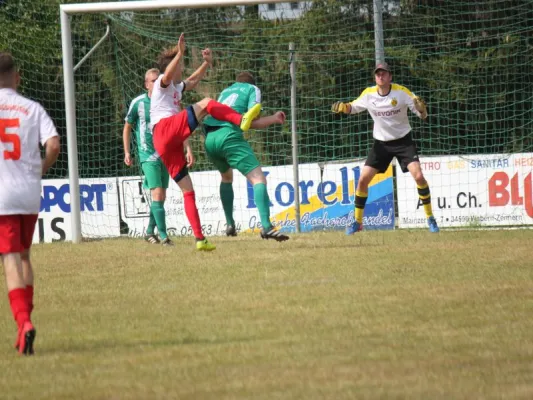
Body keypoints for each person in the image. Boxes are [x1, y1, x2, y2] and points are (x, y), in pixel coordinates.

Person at [151, 34, 278, 251]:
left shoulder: (176, 88)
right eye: (180, 65)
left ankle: (200, 239)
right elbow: (169, 74)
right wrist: (180, 53)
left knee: (188, 190)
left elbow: (191, 81)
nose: (181, 69)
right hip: (164, 129)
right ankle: (240, 120)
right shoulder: (162, 84)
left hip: (166, 143)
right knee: (208, 103)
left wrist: (206, 64)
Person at [331, 62, 439, 234]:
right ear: (375, 77)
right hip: (381, 144)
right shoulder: (369, 94)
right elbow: (353, 107)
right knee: (362, 180)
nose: (380, 76)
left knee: (418, 176)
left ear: (390, 76)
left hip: (403, 141)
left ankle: (430, 218)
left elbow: (422, 115)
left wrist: (422, 110)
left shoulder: (402, 92)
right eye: (377, 74)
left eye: (383, 73)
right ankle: (357, 222)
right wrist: (344, 108)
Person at [0, 52, 60, 355]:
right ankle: (26, 324)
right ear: (17, 76)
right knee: (24, 256)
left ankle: (24, 322)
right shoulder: (32, 108)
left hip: (2, 196)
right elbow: (53, 144)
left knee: (9, 259)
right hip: (29, 191)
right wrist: (41, 168)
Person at [202, 71, 289, 241]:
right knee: (258, 179)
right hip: (229, 136)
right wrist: (271, 117)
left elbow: (243, 121)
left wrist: (273, 118)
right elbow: (250, 118)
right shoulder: (252, 89)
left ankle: (229, 224)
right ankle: (266, 226)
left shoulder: (225, 92)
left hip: (210, 138)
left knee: (226, 177)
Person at [123, 68, 194, 246]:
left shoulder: (168, 99)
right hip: (148, 154)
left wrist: (188, 148)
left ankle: (149, 232)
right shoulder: (138, 103)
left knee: (161, 197)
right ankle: (164, 237)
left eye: (158, 80)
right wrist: (127, 152)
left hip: (166, 151)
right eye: (152, 81)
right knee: (157, 193)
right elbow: (127, 126)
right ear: (146, 84)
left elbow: (179, 126)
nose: (156, 83)